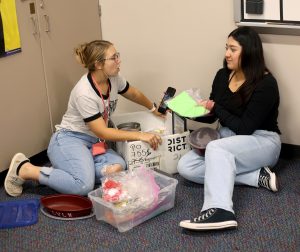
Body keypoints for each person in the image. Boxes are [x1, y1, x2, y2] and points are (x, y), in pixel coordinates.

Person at [5, 40, 162, 197]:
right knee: (83, 186)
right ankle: (26, 169)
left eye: (117, 56)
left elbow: (133, 93)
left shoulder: (113, 78)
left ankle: (70, 172)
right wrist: (141, 135)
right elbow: (103, 132)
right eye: (114, 57)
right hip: (69, 140)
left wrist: (153, 108)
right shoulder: (84, 92)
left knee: (118, 168)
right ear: (98, 64)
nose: (118, 60)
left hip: (93, 143)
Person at [178, 27, 281, 231]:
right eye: (226, 48)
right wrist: (190, 110)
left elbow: (245, 128)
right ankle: (256, 176)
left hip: (262, 141)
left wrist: (215, 107)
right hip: (229, 138)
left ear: (249, 51)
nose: (226, 54)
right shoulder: (222, 75)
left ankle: (220, 210)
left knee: (216, 150)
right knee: (185, 166)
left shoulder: (266, 83)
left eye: (233, 49)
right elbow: (215, 115)